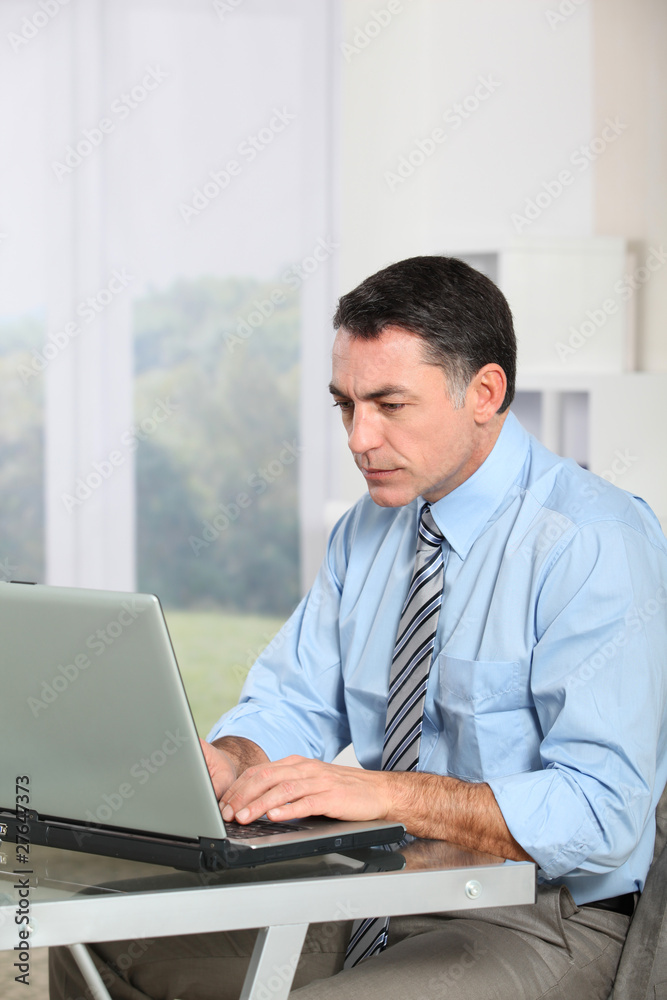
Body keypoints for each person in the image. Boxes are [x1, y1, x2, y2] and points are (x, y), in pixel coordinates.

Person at [50, 256, 667, 1000]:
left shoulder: (592, 541)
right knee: (99, 940)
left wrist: (389, 795)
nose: (358, 437)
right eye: (345, 405)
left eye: (389, 404)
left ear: (484, 393)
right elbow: (296, 701)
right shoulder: (367, 531)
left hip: (540, 915)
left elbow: (604, 812)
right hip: (379, 889)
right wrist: (233, 760)